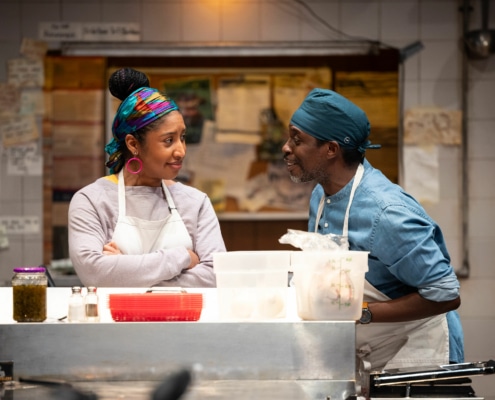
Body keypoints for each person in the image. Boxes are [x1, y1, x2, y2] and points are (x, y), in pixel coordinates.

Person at [282, 89, 464, 374]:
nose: (286, 147)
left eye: (297, 139)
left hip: (417, 352)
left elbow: (445, 294)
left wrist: (360, 311)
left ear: (331, 149)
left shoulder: (386, 212)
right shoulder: (321, 195)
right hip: (372, 351)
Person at [68, 68, 226, 288]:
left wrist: (124, 270)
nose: (181, 150)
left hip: (184, 321)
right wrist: (182, 257)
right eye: (168, 140)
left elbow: (215, 276)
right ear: (133, 144)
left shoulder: (195, 202)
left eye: (182, 137)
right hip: (115, 322)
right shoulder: (91, 201)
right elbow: (95, 274)